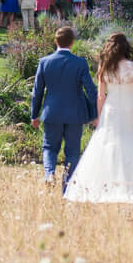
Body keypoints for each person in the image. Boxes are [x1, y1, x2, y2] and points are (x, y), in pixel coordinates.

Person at [64, 32, 133, 204]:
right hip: (128, 108)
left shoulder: (105, 66)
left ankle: (103, 184)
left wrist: (99, 116)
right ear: (126, 47)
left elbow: (100, 96)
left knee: (107, 143)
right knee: (130, 143)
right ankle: (130, 185)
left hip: (111, 109)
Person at [30, 25, 98, 193]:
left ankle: (49, 173)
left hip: (51, 113)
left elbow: (37, 91)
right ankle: (66, 187)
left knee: (49, 148)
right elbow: (91, 90)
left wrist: (34, 115)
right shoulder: (80, 63)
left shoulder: (44, 62)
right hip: (75, 114)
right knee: (73, 152)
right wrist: (96, 113)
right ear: (72, 43)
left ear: (55, 41)